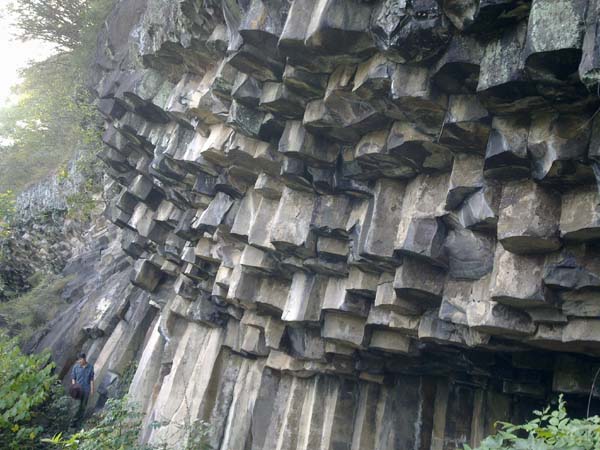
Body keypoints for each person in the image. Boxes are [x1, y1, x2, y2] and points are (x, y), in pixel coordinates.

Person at [71, 352, 94, 427]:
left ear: (84, 359)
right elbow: (73, 378)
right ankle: (72, 422)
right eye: (78, 360)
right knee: (76, 406)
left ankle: (79, 423)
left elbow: (91, 379)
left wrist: (92, 389)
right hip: (78, 390)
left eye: (80, 359)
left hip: (86, 389)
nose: (79, 361)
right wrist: (74, 387)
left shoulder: (90, 367)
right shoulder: (76, 367)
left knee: (83, 406)